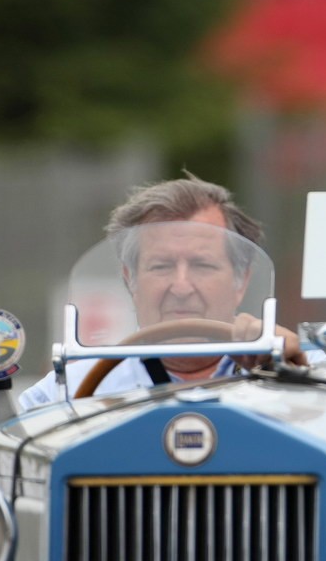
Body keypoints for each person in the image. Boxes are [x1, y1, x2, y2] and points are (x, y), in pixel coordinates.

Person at [19, 175, 305, 410]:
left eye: (202, 265)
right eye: (161, 266)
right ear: (130, 279)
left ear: (241, 281)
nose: (181, 287)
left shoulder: (318, 376)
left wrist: (293, 375)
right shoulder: (60, 393)